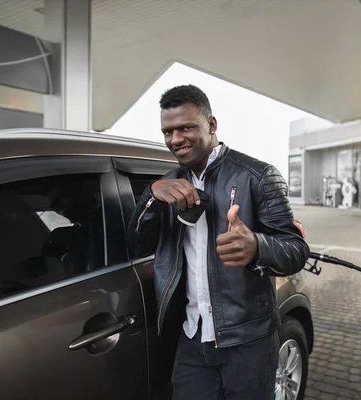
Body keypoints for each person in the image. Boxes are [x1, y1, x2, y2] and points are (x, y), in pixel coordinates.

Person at [127, 84, 310, 400]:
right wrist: (149, 197)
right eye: (167, 131)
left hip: (248, 339)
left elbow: (295, 251)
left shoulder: (258, 176)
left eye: (186, 127)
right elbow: (136, 245)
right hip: (192, 335)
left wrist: (256, 246)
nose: (175, 139)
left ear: (211, 125)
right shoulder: (169, 184)